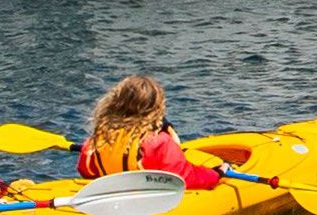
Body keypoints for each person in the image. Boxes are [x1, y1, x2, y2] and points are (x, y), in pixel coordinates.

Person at [77, 73, 220, 194]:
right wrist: (215, 174)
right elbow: (184, 178)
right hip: (147, 201)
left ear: (114, 104)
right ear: (156, 108)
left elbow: (86, 171)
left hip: (115, 195)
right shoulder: (159, 142)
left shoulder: (97, 140)